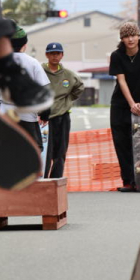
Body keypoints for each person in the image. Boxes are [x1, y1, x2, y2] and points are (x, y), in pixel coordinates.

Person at [108, 21, 140, 192]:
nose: (130, 39)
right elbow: (121, 81)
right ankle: (128, 181)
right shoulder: (117, 56)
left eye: (133, 35)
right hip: (121, 105)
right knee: (121, 143)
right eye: (126, 36)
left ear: (138, 36)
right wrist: (131, 104)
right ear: (121, 39)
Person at [0, 26, 48, 155]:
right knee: (32, 150)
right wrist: (44, 114)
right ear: (24, 45)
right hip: (27, 114)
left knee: (6, 150)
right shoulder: (33, 63)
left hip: (5, 113)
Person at [39, 41, 85, 179]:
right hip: (44, 118)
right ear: (47, 55)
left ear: (62, 55)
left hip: (63, 116)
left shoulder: (68, 75)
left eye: (57, 53)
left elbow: (79, 87)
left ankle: (56, 179)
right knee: (46, 151)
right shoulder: (39, 70)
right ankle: (44, 179)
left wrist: (68, 99)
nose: (55, 56)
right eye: (52, 53)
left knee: (60, 151)